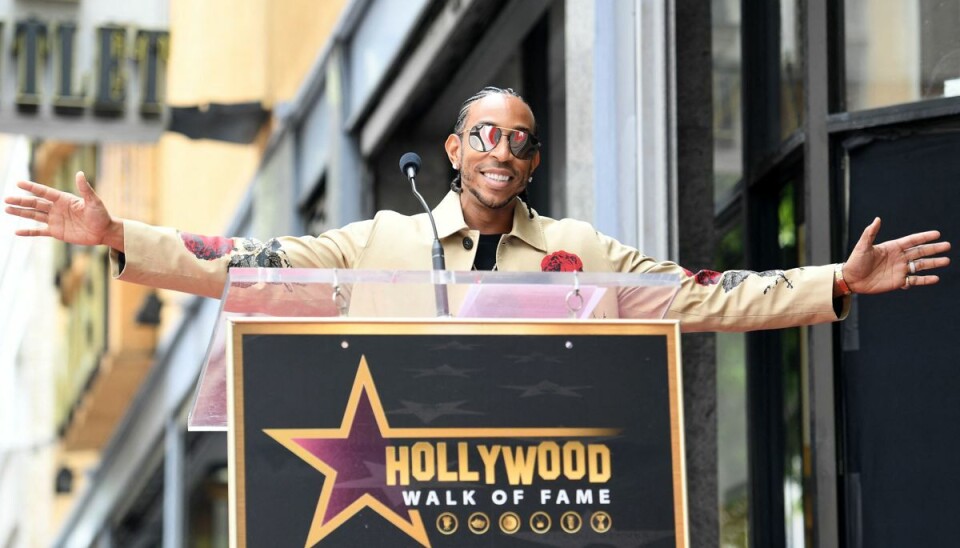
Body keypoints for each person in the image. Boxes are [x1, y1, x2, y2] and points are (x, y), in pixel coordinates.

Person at [3, 87, 951, 330]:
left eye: (520, 140)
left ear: (533, 162)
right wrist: (122, 236)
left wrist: (833, 280)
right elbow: (249, 265)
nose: (501, 151)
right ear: (455, 152)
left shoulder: (578, 253)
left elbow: (705, 295)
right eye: (484, 136)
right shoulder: (380, 241)